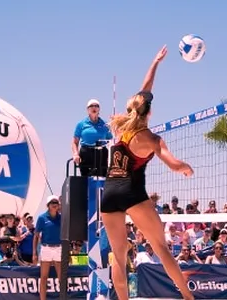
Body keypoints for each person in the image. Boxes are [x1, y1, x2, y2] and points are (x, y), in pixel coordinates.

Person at [101, 45, 195, 300]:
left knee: (119, 258)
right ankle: (188, 297)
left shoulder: (121, 128)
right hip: (132, 193)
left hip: (109, 194)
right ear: (150, 113)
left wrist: (155, 62)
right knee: (161, 248)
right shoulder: (151, 139)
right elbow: (174, 165)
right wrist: (186, 168)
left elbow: (145, 91)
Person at [73, 98, 114, 177]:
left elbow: (110, 140)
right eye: (91, 106)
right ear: (87, 109)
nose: (94, 108)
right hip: (86, 153)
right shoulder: (81, 124)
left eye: (96, 106)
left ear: (99, 109)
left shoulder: (105, 124)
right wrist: (75, 154)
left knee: (102, 178)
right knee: (85, 179)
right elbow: (75, 142)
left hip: (101, 153)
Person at [34, 196, 64, 300]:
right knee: (44, 277)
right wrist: (34, 253)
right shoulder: (42, 218)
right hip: (46, 248)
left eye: (56, 202)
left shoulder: (62, 218)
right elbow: (36, 235)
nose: (54, 204)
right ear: (48, 205)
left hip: (59, 248)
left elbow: (65, 236)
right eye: (52, 202)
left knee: (61, 277)